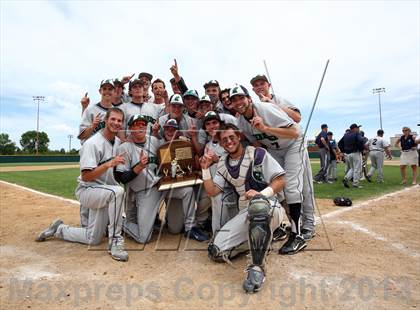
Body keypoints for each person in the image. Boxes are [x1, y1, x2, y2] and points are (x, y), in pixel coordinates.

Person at [200, 123, 285, 294]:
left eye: (232, 137)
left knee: (258, 207)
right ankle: (263, 239)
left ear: (239, 137)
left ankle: (257, 268)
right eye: (224, 140)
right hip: (246, 211)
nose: (229, 142)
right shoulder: (223, 164)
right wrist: (205, 170)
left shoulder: (257, 153)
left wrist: (262, 194)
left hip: (269, 206)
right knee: (216, 252)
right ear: (221, 144)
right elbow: (212, 191)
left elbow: (281, 180)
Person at [36, 108, 128, 262]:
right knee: (117, 192)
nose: (116, 123)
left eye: (119, 120)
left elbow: (118, 174)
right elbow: (86, 177)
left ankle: (58, 229)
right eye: (113, 119)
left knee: (93, 238)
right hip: (88, 191)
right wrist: (108, 164)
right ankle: (115, 241)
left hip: (105, 193)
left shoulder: (119, 143)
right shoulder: (92, 143)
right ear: (106, 120)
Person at [229, 85, 307, 254]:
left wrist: (265, 129)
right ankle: (280, 226)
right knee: (275, 187)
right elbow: (257, 143)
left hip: (293, 144)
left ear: (249, 99)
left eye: (241, 98)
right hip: (275, 149)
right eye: (234, 100)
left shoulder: (265, 109)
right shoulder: (241, 122)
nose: (238, 102)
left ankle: (298, 235)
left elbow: (295, 131)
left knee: (291, 186)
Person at [115, 114, 208, 243]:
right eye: (136, 125)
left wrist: (187, 141)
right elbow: (122, 178)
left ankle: (190, 227)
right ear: (130, 128)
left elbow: (172, 149)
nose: (140, 127)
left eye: (143, 124)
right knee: (143, 238)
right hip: (145, 192)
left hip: (162, 185)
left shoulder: (154, 141)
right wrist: (139, 166)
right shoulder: (124, 148)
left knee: (187, 192)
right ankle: (117, 221)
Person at [250, 74, 315, 241]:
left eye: (262, 83)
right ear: (253, 89)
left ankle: (308, 225)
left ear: (268, 85)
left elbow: (297, 118)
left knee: (303, 187)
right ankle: (291, 224)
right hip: (275, 148)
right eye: (256, 85)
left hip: (294, 144)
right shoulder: (255, 107)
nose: (259, 87)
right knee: (281, 188)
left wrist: (272, 104)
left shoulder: (278, 99)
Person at [78, 79, 116, 143]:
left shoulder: (117, 112)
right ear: (100, 91)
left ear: (114, 91)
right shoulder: (90, 110)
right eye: (104, 89)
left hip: (109, 150)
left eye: (110, 89)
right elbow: (82, 136)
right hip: (91, 149)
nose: (107, 91)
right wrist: (93, 126)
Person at [339, 124, 365, 188]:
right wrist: (361, 149)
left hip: (348, 154)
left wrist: (343, 150)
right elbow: (361, 141)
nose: (358, 129)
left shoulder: (346, 134)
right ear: (354, 128)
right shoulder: (356, 133)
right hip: (356, 153)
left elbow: (339, 143)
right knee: (357, 169)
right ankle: (355, 184)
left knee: (352, 168)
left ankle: (346, 179)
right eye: (357, 128)